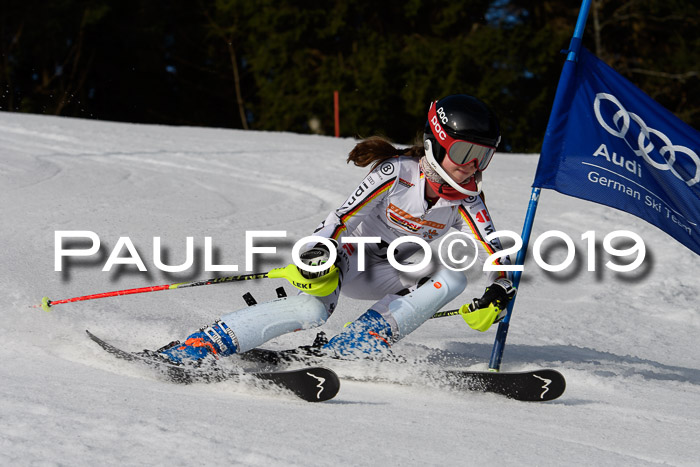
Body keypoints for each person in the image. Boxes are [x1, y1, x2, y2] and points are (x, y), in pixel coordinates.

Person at [154, 94, 516, 364]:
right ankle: (202, 344)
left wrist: (500, 287)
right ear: (435, 144)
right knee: (311, 311)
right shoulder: (397, 173)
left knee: (452, 278)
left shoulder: (467, 201)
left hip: (391, 272)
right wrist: (319, 252)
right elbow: (341, 219)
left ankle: (353, 345)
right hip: (350, 259)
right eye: (464, 151)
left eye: (483, 156)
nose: (472, 166)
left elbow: (494, 249)